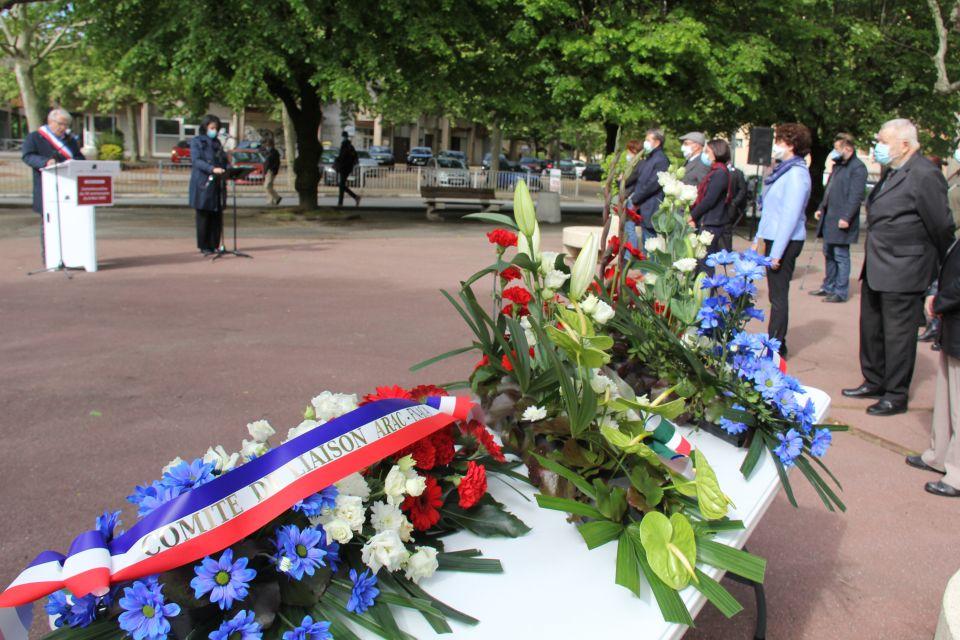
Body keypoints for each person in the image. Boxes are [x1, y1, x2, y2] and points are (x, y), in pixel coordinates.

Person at [842, 118, 955, 416]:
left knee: (898, 335)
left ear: (904, 144)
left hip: (906, 268)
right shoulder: (893, 171)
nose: (877, 147)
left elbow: (942, 225)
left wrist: (938, 268)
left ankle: (896, 393)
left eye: (883, 141)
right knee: (872, 329)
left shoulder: (924, 174)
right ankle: (875, 379)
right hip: (879, 265)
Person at [751, 122, 812, 358]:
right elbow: (770, 210)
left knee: (778, 296)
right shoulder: (783, 170)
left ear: (791, 145)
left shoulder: (797, 174)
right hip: (772, 237)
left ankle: (776, 344)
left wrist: (777, 251)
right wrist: (758, 238)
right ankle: (775, 340)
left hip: (785, 241)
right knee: (775, 294)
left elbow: (790, 215)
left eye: (779, 141)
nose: (775, 146)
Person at [907, 236, 960, 496]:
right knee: (947, 397)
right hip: (953, 324)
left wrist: (939, 302)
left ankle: (957, 474)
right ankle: (939, 455)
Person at [810, 133, 867, 303]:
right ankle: (829, 286)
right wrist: (821, 208)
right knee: (828, 252)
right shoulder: (838, 166)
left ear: (847, 148)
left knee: (841, 255)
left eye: (837, 149)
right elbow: (828, 190)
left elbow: (856, 196)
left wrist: (846, 217)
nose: (834, 152)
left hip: (842, 220)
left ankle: (840, 291)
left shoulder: (858, 168)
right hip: (829, 217)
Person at [21, 108, 85, 261]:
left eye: (66, 124)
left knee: (69, 224)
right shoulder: (35, 137)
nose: (63, 127)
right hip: (46, 187)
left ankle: (69, 255)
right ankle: (50, 257)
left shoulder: (70, 140)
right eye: (60, 124)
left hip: (68, 187)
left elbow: (79, 158)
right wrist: (45, 162)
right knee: (49, 224)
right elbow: (27, 156)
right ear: (50, 121)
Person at [689, 139, 732, 271]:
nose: (705, 155)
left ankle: (707, 291)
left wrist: (692, 216)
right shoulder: (715, 171)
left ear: (717, 152)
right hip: (708, 221)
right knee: (701, 262)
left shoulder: (720, 173)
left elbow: (709, 200)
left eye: (707, 151)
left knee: (705, 264)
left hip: (711, 223)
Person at [189, 114, 228, 256]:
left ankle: (214, 244)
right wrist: (211, 169)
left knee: (216, 214)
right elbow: (197, 161)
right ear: (205, 127)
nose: (215, 130)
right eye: (212, 127)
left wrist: (227, 167)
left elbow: (222, 159)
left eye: (216, 128)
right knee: (204, 215)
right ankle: (204, 245)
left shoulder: (217, 142)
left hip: (217, 183)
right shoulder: (197, 142)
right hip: (203, 183)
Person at [627, 128, 670, 246]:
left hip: (651, 207)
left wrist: (636, 200)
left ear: (657, 142)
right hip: (644, 206)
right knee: (646, 243)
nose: (645, 142)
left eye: (647, 140)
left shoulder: (661, 159)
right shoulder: (650, 158)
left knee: (651, 244)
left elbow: (652, 185)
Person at [723, 161, 748, 251]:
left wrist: (735, 202)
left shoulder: (737, 173)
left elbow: (742, 190)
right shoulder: (718, 170)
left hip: (730, 205)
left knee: (727, 230)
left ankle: (727, 251)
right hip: (718, 206)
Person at [335, 131, 361, 207]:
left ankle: (354, 197)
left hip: (344, 167)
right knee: (341, 185)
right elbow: (355, 157)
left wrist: (337, 160)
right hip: (348, 168)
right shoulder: (351, 146)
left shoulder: (344, 145)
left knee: (341, 185)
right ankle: (341, 202)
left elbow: (342, 156)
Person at [260, 138, 281, 206]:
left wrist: (272, 170)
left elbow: (276, 163)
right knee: (269, 186)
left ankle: (277, 197)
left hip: (271, 171)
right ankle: (270, 201)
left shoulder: (274, 152)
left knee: (267, 186)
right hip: (267, 171)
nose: (267, 146)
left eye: (268, 144)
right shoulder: (267, 152)